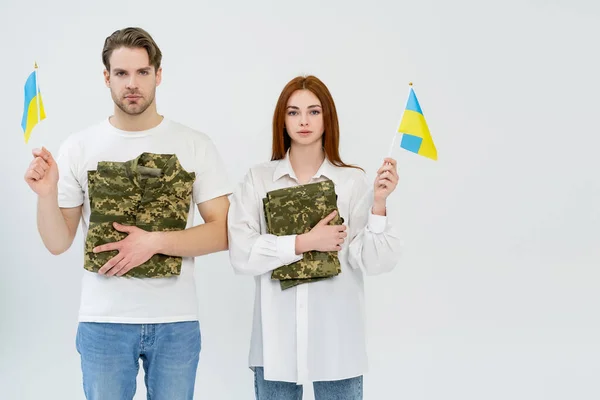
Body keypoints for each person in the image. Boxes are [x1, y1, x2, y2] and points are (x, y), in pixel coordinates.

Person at [23, 27, 231, 400]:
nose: (131, 84)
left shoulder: (195, 145)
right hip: (103, 323)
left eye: (142, 72)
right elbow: (58, 242)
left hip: (176, 322)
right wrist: (46, 193)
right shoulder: (78, 146)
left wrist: (153, 243)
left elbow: (224, 232)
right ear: (106, 78)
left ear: (158, 75)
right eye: (121, 73)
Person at [227, 75, 402, 399]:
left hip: (337, 339)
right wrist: (304, 242)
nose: (303, 121)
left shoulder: (352, 181)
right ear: (282, 119)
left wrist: (379, 203)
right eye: (293, 112)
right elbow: (241, 254)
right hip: (275, 340)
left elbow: (374, 262)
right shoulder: (259, 179)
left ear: (328, 118)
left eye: (313, 111)